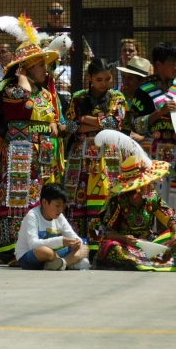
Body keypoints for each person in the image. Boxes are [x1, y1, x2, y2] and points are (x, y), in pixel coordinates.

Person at [0, 15, 66, 258]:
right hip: (21, 151)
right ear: (27, 68)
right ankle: (14, 249)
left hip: (44, 154)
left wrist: (54, 124)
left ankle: (42, 245)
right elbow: (21, 98)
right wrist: (21, 75)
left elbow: (54, 118)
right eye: (40, 65)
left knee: (43, 198)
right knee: (18, 199)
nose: (45, 69)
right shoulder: (11, 88)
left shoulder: (47, 93)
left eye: (45, 64)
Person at [64, 58, 126, 245]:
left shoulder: (117, 97)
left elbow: (114, 124)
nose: (104, 84)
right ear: (89, 78)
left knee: (107, 196)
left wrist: (84, 119)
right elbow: (69, 127)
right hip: (80, 157)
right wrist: (99, 121)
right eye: (99, 79)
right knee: (78, 198)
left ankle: (103, 243)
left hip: (108, 156)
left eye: (108, 79)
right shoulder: (78, 97)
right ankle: (80, 243)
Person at [94, 130, 176, 271]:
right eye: (147, 182)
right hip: (124, 244)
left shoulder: (152, 197)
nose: (151, 184)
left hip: (149, 243)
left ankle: (143, 260)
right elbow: (104, 232)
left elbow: (170, 218)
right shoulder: (117, 200)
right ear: (136, 186)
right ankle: (147, 260)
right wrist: (124, 239)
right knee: (112, 248)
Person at [132, 42, 176, 208]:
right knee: (155, 200)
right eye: (172, 63)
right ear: (159, 64)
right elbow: (135, 125)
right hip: (154, 155)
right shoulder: (144, 90)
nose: (175, 67)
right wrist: (159, 112)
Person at [14, 183, 89, 270]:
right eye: (57, 206)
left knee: (84, 247)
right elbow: (33, 245)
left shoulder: (59, 217)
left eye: (63, 207)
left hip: (53, 254)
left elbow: (74, 237)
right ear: (44, 202)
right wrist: (61, 241)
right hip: (29, 257)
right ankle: (68, 263)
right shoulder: (32, 216)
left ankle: (62, 263)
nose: (60, 210)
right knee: (44, 251)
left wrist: (77, 242)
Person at [116, 56, 151, 141]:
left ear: (142, 81)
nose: (125, 82)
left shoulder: (151, 99)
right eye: (124, 77)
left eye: (130, 78)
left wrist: (144, 138)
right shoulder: (117, 95)